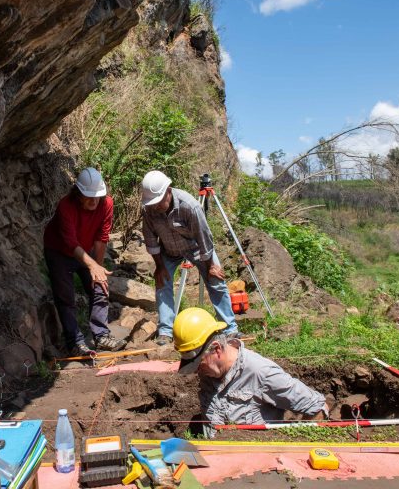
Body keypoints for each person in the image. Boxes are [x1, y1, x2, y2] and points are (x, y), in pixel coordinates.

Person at [174, 307, 329, 438]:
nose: (196, 371)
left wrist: (297, 446)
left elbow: (317, 406)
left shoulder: (261, 373)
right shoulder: (210, 371)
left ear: (217, 349)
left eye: (199, 363)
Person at [140, 170, 238, 345]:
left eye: (159, 201)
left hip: (196, 248)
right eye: (153, 203)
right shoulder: (148, 210)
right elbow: (151, 240)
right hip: (168, 250)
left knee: (215, 280)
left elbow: (204, 238)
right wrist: (159, 267)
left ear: (168, 190)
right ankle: (165, 331)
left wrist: (210, 267)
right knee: (162, 282)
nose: (156, 206)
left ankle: (229, 329)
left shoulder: (189, 206)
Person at [44, 168, 127, 356]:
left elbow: (101, 236)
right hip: (58, 251)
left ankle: (101, 335)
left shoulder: (106, 204)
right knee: (65, 297)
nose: (94, 201)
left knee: (99, 287)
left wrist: (97, 269)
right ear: (78, 193)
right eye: (89, 196)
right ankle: (75, 342)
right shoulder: (66, 206)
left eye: (98, 196)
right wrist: (92, 266)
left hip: (85, 249)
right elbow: (70, 243)